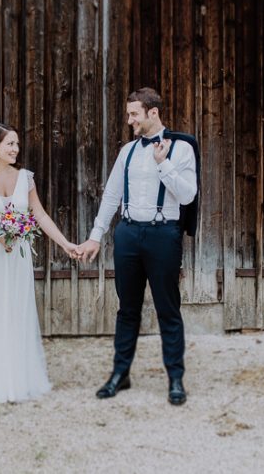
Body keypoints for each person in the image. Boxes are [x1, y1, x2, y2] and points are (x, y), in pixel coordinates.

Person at [77, 88, 197, 405]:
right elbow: (112, 195)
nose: (130, 120)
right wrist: (95, 234)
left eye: (134, 114)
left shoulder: (182, 149)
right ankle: (120, 373)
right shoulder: (127, 151)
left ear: (152, 113)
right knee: (127, 310)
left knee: (168, 310)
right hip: (128, 234)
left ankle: (175, 379)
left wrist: (163, 165)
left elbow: (188, 196)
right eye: (129, 114)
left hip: (163, 235)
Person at [0, 122, 78, 403]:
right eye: (10, 143)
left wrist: (66, 244)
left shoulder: (26, 178)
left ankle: (18, 379)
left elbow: (41, 216)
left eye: (16, 144)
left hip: (17, 258)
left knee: (16, 311)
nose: (15, 148)